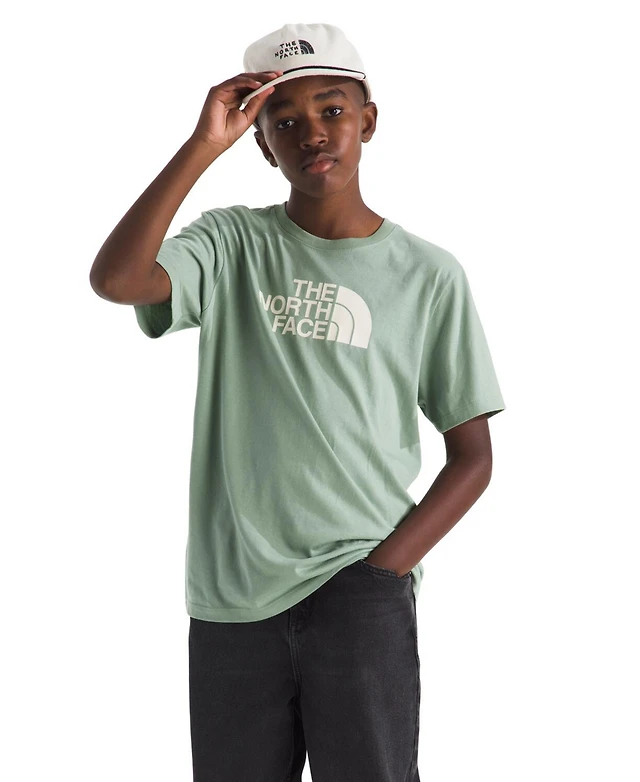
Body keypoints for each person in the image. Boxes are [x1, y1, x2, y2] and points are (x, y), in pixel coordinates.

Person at [89, 22, 506, 782]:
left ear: (368, 121)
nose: (311, 132)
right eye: (284, 121)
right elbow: (118, 280)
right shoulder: (230, 245)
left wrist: (383, 571)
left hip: (360, 592)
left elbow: (472, 457)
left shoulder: (428, 275)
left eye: (332, 110)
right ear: (261, 144)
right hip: (233, 597)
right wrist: (201, 147)